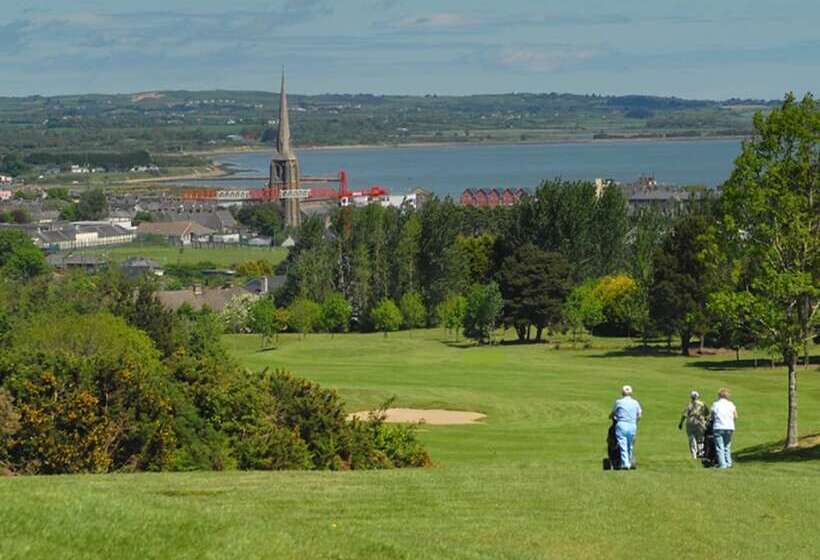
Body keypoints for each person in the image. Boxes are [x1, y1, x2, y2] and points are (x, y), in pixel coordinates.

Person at [610, 385, 642, 469]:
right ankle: (629, 461)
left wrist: (611, 416)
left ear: (622, 393)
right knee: (630, 444)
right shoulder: (635, 402)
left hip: (622, 424)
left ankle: (625, 464)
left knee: (622, 444)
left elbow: (613, 413)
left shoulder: (619, 402)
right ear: (631, 393)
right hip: (632, 425)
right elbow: (639, 415)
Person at [710, 388, 738, 469]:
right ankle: (728, 463)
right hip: (729, 427)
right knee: (727, 446)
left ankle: (723, 465)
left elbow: (712, 416)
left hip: (718, 426)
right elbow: (735, 416)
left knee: (720, 446)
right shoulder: (731, 404)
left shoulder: (716, 404)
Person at [678, 390, 709, 459]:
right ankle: (701, 453)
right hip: (700, 423)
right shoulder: (702, 404)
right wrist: (705, 422)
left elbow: (684, 415)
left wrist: (681, 423)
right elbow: (707, 414)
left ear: (691, 397)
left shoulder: (689, 404)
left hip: (690, 423)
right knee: (700, 438)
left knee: (692, 439)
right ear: (698, 396)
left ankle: (694, 455)